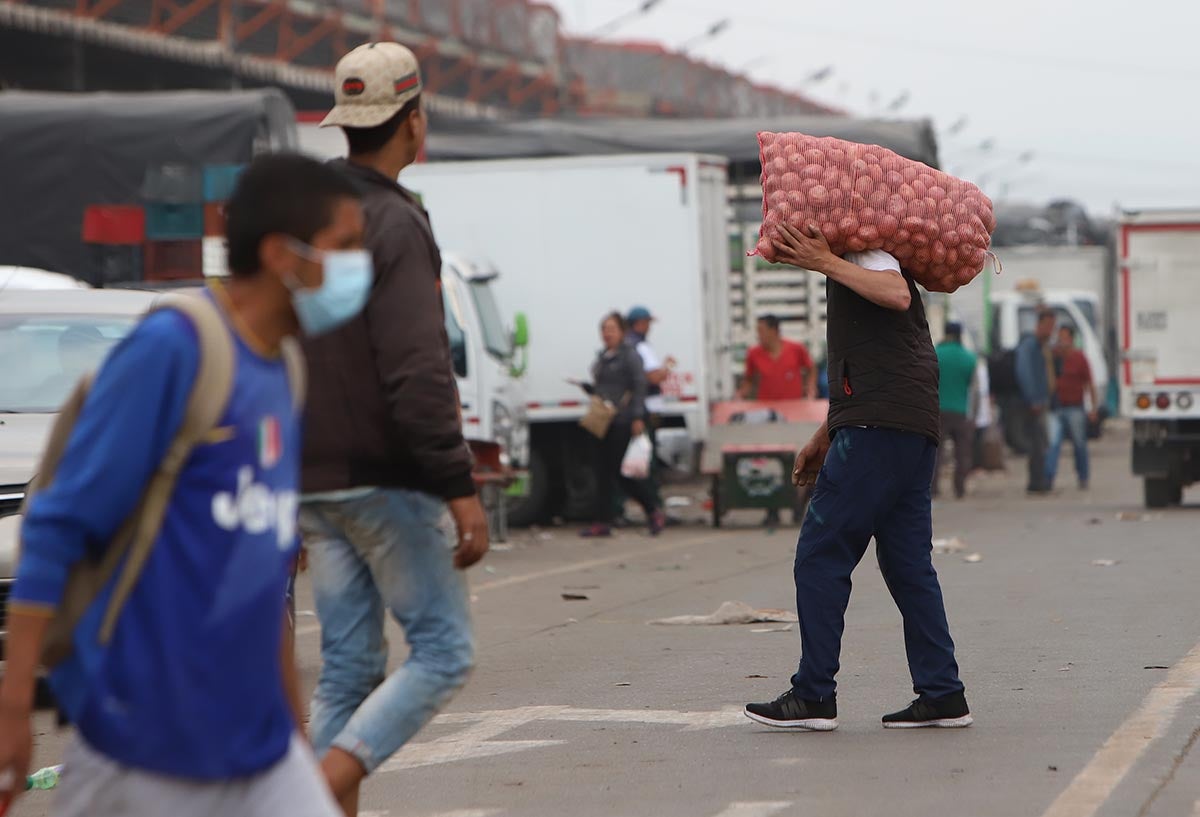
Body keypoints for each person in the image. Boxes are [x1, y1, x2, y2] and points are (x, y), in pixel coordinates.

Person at [0, 154, 366, 816]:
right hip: (144, 745)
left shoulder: (286, 369)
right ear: (284, 254)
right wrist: (14, 705)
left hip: (256, 744)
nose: (357, 268)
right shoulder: (175, 349)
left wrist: (297, 738)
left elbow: (265, 583)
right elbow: (55, 527)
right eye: (344, 248)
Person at [299, 42, 489, 817]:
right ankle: (308, 796)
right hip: (386, 475)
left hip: (314, 476)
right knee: (444, 651)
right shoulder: (395, 223)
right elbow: (417, 368)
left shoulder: (313, 219)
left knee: (347, 667)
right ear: (413, 121)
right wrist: (458, 485)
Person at [745, 222, 971, 732]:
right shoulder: (857, 263)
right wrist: (823, 437)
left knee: (821, 555)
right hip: (906, 429)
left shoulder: (867, 252)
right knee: (909, 566)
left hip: (879, 432)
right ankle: (942, 693)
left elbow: (892, 295)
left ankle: (813, 695)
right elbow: (873, 367)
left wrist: (826, 260)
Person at [581, 311, 665, 538]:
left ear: (622, 331)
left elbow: (640, 386)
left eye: (611, 329)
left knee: (623, 473)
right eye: (604, 329)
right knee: (601, 472)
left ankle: (652, 509)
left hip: (623, 420)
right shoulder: (603, 357)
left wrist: (637, 417)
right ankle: (602, 521)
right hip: (602, 420)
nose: (607, 334)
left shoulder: (630, 356)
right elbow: (604, 385)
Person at [626, 305, 675, 511]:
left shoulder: (628, 344)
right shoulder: (640, 347)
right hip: (645, 409)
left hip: (636, 408)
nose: (649, 327)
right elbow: (653, 376)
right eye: (647, 323)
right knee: (648, 460)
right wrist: (667, 367)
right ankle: (654, 507)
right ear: (640, 323)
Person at [1046, 325, 1097, 491]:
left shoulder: (1079, 358)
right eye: (1060, 338)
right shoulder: (1054, 357)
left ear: (1072, 339)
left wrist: (1093, 408)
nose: (1062, 342)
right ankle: (1048, 478)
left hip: (1075, 407)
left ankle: (1083, 477)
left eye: (1065, 338)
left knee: (1079, 444)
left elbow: (1089, 384)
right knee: (1053, 444)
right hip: (1057, 407)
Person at [1015, 308, 1057, 495]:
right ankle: (1036, 482)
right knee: (1038, 442)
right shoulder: (1029, 345)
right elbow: (1024, 371)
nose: (1051, 331)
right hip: (1034, 401)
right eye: (1048, 326)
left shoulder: (1042, 346)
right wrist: (1033, 398)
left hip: (1041, 399)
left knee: (1040, 442)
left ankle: (1038, 480)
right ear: (1039, 325)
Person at [933, 322, 977, 500]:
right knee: (962, 453)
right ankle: (959, 488)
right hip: (960, 410)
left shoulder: (935, 354)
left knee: (936, 452)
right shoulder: (969, 358)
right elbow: (974, 388)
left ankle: (933, 488)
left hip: (937, 409)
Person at [738, 314, 817, 401]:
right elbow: (748, 380)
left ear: (773, 331)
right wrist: (740, 395)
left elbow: (811, 368)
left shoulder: (796, 349)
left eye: (761, 331)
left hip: (793, 405)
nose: (758, 335)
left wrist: (811, 387)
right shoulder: (753, 353)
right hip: (766, 406)